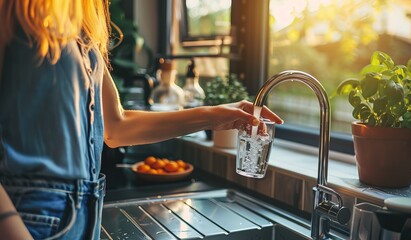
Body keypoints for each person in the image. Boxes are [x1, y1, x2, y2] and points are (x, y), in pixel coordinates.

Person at [0, 0, 283, 239]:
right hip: (25, 216)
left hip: (81, 215)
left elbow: (116, 125)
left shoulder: (82, 26)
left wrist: (214, 115)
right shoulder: (14, 9)